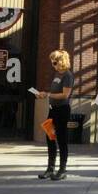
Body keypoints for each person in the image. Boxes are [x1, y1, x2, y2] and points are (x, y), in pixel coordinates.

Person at [36, 49, 73, 180]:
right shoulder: (57, 74)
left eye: (55, 62)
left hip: (62, 110)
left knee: (62, 140)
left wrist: (48, 94)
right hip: (52, 109)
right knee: (50, 138)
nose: (53, 64)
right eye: (52, 62)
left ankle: (62, 170)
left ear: (62, 61)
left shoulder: (67, 75)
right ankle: (50, 168)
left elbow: (65, 95)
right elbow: (53, 92)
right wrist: (43, 95)